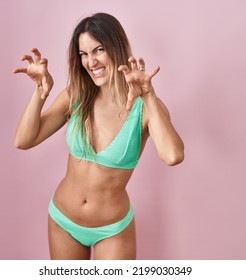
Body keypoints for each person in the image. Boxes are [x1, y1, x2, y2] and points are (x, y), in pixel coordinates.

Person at [13, 12, 184, 260]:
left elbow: (172, 155)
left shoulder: (146, 107)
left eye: (98, 50)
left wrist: (148, 95)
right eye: (83, 54)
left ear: (117, 47)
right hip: (63, 221)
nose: (90, 62)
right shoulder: (77, 95)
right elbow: (23, 140)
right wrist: (40, 91)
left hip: (111, 230)